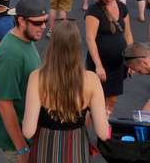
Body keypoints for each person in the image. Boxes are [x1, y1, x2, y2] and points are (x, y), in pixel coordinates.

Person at [22, 20, 110, 162]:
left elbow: (28, 131)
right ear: (77, 47)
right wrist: (104, 118)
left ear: (52, 45)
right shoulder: (92, 80)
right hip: (76, 149)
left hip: (45, 149)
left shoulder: (37, 77)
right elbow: (103, 133)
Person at [0, 0, 47, 162]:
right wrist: (21, 148)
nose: (43, 26)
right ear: (21, 21)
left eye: (45, 21)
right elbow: (4, 104)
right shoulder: (11, 55)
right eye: (37, 22)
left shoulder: (25, 40)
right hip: (18, 143)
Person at [85, 0, 133, 114]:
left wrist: (131, 59)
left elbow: (128, 34)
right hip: (101, 65)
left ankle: (104, 126)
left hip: (118, 64)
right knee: (94, 100)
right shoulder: (94, 11)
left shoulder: (122, 7)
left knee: (112, 100)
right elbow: (90, 39)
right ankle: (91, 129)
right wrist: (98, 66)